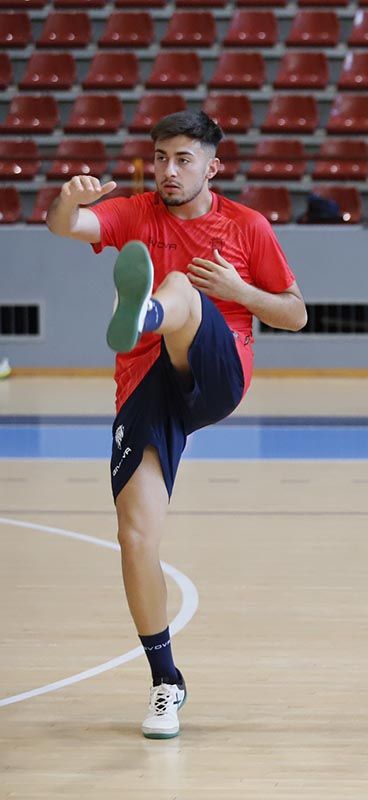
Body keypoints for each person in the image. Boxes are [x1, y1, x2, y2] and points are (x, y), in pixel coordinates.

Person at [45, 110, 307, 738]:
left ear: (213, 166)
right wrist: (65, 200)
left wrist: (240, 292)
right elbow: (66, 227)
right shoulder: (135, 212)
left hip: (216, 372)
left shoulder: (247, 226)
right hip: (147, 386)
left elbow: (295, 314)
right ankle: (166, 682)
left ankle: (150, 310)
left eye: (183, 159)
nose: (167, 170)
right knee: (136, 536)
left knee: (183, 293)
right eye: (160, 157)